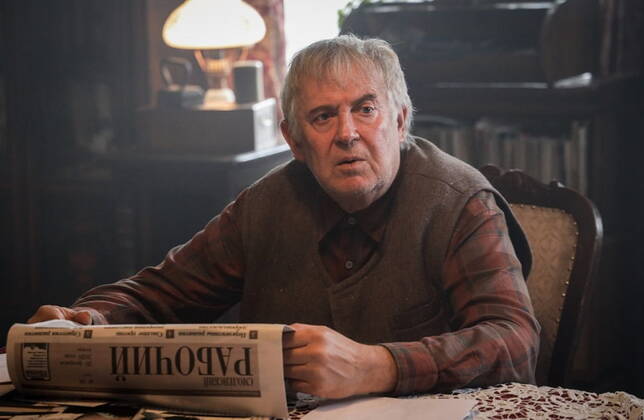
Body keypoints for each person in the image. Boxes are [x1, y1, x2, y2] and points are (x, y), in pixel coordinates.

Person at [29, 35, 540, 399]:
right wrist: (86, 320)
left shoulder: (459, 201)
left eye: (366, 109)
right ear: (294, 140)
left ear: (401, 120)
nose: (347, 133)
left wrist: (380, 365)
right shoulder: (264, 204)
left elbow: (514, 341)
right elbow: (157, 295)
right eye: (323, 116)